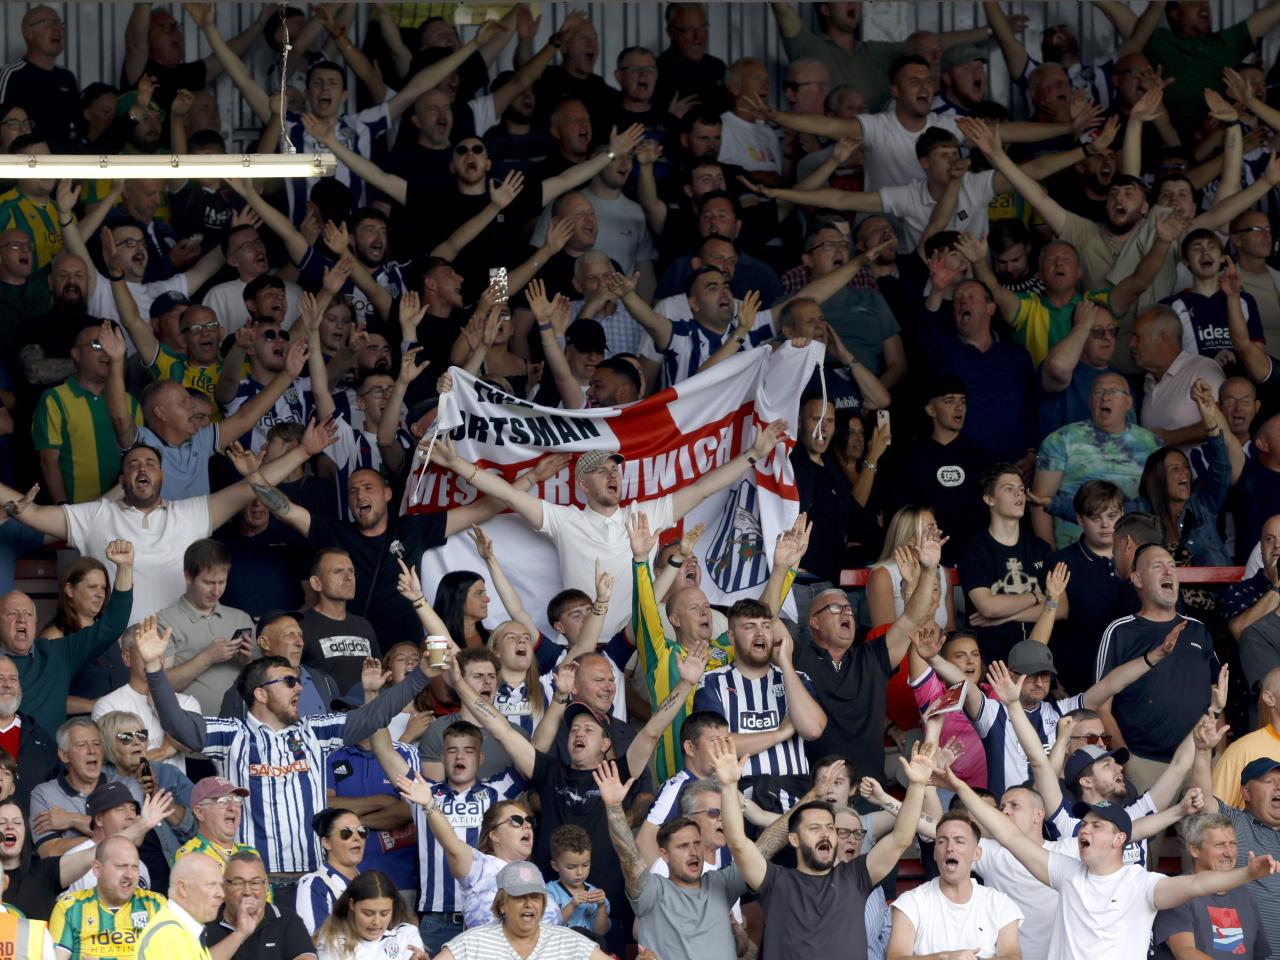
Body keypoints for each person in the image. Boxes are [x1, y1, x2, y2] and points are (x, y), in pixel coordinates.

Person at [429, 412, 785, 641]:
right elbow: (504, 492)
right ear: (583, 485)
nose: (612, 475)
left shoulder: (643, 515)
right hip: (583, 642)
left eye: (615, 470)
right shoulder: (565, 519)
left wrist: (753, 454)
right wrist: (456, 462)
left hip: (639, 641)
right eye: (602, 471)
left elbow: (702, 488)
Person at [137, 609, 438, 877]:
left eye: (298, 680)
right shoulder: (233, 735)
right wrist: (154, 668)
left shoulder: (316, 731)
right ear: (260, 694)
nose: (299, 687)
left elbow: (374, 716)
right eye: (289, 682)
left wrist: (421, 675)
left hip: (314, 876)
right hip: (256, 882)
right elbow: (177, 723)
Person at [942, 760, 1280, 960]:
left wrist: (1246, 874)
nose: (1084, 829)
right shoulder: (1066, 872)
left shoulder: (1141, 884)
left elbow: (1198, 883)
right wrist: (958, 784)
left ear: (1120, 839)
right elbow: (1010, 835)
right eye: (1084, 823)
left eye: (1096, 825)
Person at [712, 729, 936, 960]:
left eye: (830, 827)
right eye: (815, 828)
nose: (826, 834)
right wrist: (729, 786)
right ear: (794, 839)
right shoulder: (775, 881)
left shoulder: (855, 876)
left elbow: (900, 839)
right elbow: (738, 843)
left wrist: (918, 785)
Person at [1095, 545, 1220, 790]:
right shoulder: (1120, 631)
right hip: (1145, 765)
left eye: (1172, 566)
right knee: (1142, 830)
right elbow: (1100, 704)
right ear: (1137, 579)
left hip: (1201, 761)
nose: (1168, 572)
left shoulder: (1198, 630)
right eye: (1158, 566)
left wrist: (1219, 754)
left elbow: (1217, 695)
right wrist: (1126, 759)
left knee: (1208, 829)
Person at [960, 464, 1064, 664]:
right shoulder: (974, 550)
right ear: (989, 499)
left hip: (1039, 664)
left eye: (1021, 489)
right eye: (1009, 488)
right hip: (991, 665)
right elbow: (988, 607)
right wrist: (1037, 596)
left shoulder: (1040, 548)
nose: (1019, 494)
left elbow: (1061, 609)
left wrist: (1005, 617)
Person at [887, 811, 1023, 959]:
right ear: (934, 853)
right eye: (942, 841)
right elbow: (895, 957)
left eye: (959, 841)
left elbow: (1012, 956)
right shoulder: (911, 902)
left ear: (977, 853)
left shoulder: (1000, 903)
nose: (950, 847)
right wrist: (944, 957)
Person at [155, 539, 255, 719]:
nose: (216, 591)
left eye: (222, 582)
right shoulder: (164, 621)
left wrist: (245, 662)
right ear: (188, 577)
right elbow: (163, 686)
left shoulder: (241, 618)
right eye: (208, 583)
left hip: (244, 726)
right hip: (194, 730)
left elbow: (262, 682)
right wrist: (208, 657)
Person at [428, 860, 606, 960]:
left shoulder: (568, 940)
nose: (529, 903)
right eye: (519, 896)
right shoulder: (472, 942)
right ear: (502, 904)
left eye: (535, 897)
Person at [1152, 812, 1271, 960]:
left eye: (1233, 844)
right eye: (1220, 845)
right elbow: (1185, 953)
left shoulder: (1245, 894)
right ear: (1194, 849)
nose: (1229, 853)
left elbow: (1257, 955)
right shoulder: (1177, 893)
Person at [48, 835, 167, 960]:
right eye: (121, 866)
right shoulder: (70, 907)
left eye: (135, 867)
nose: (130, 875)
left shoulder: (156, 905)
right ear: (97, 869)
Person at [204, 851, 316, 960]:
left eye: (255, 883)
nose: (247, 891)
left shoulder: (286, 919)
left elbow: (306, 957)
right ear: (223, 886)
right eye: (238, 883)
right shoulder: (205, 920)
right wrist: (240, 933)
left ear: (266, 886)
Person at [312, 870, 427, 960]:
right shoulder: (332, 942)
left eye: (384, 913)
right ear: (351, 904)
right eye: (368, 913)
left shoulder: (406, 934)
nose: (376, 922)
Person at [136, 853, 225, 960]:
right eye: (211, 885)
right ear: (182, 888)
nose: (221, 894)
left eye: (221, 885)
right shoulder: (168, 936)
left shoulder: (183, 932)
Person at [295, 809, 367, 936]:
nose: (357, 838)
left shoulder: (371, 881)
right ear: (326, 842)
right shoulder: (313, 885)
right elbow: (316, 942)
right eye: (346, 833)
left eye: (362, 831)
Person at [545, 826, 609, 936]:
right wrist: (572, 905)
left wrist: (601, 906)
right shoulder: (549, 892)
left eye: (585, 865)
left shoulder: (595, 893)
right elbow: (548, 927)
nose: (580, 872)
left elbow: (600, 932)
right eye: (571, 867)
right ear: (555, 866)